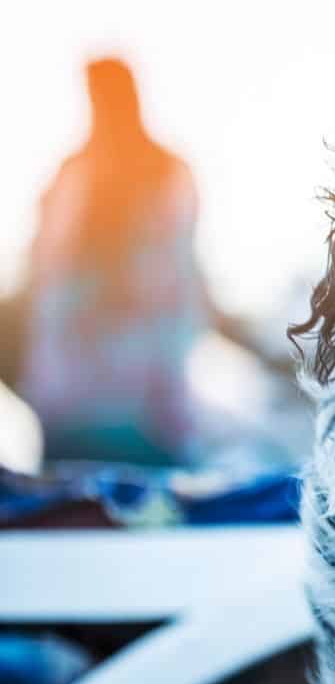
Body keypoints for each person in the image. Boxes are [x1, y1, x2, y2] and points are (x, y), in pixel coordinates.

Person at [14, 58, 215, 466]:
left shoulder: (162, 175)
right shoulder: (74, 177)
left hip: (142, 410)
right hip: (81, 409)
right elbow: (46, 286)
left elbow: (177, 286)